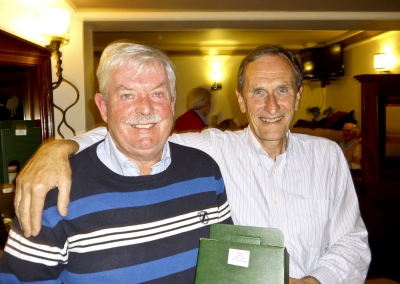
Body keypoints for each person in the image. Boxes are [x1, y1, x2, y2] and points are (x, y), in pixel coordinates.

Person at [14, 45, 371, 283]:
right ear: (241, 101)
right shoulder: (211, 151)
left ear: (297, 97)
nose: (271, 106)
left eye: (282, 90)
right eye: (258, 92)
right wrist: (58, 148)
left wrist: (313, 281)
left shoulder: (328, 157)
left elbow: (352, 241)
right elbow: (138, 131)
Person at [0, 42, 232, 283]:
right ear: (103, 107)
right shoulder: (52, 190)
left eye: (157, 93)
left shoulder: (206, 171)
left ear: (172, 104)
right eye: (127, 95)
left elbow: (225, 264)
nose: (145, 108)